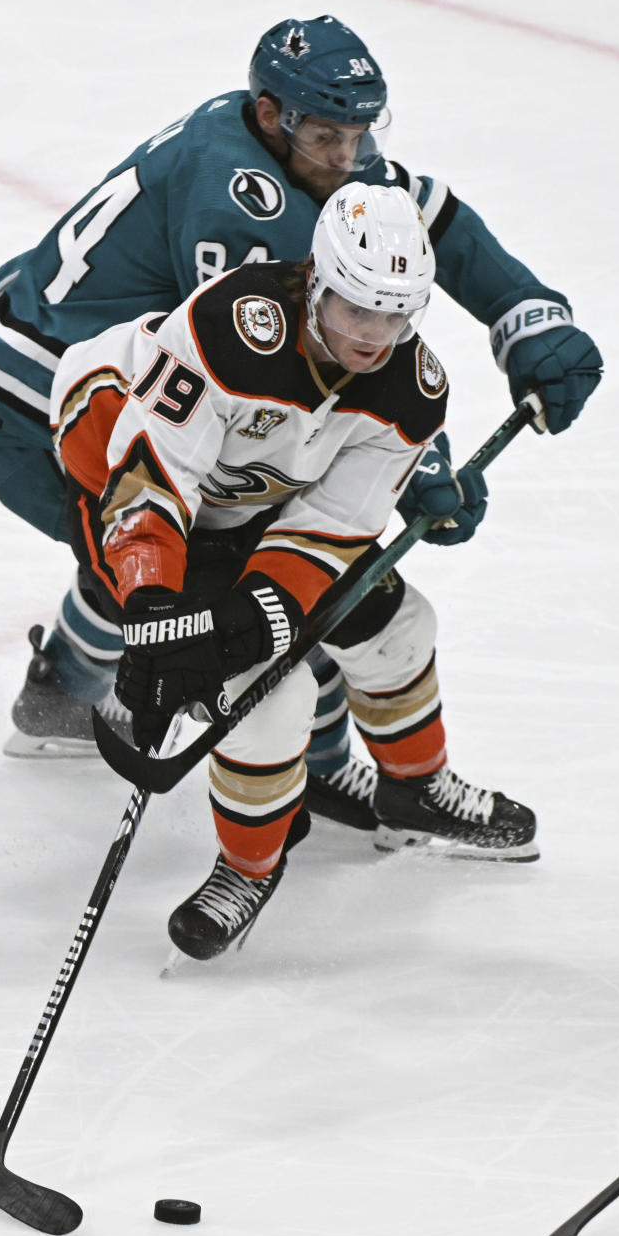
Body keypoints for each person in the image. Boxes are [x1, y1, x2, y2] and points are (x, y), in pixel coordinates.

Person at [0, 14, 602, 830]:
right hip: (43, 403)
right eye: (330, 138)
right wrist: (421, 465)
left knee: (183, 543)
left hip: (32, 352)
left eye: (362, 134)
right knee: (235, 565)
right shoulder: (242, 208)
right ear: (271, 117)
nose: (351, 157)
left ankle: (62, 693)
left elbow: (423, 213)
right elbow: (304, 374)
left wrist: (526, 313)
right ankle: (313, 771)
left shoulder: (284, 139)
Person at [51, 182, 538, 961]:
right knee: (265, 694)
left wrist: (262, 613)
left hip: (252, 501)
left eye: (397, 314)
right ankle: (249, 867)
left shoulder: (411, 390)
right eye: (358, 310)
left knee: (398, 627)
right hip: (108, 441)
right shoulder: (227, 329)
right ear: (317, 279)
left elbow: (334, 526)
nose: (375, 335)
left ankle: (415, 792)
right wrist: (151, 611)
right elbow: (150, 476)